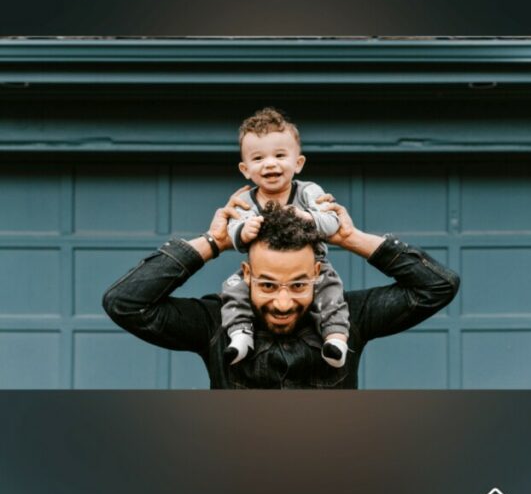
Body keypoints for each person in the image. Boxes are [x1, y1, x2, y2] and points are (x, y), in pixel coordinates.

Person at [102, 190, 460, 390]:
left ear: (318, 273)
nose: (283, 302)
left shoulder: (350, 317)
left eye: (299, 284)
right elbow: (126, 303)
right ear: (247, 274)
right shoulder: (215, 323)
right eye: (268, 285)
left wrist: (350, 238)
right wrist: (214, 243)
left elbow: (437, 286)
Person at [222, 107, 349, 369]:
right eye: (258, 159)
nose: (270, 163)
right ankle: (240, 333)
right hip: (262, 271)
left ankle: (335, 338)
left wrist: (308, 217)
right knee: (233, 287)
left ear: (298, 163)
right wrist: (242, 232)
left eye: (280, 155)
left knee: (331, 288)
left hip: (313, 265)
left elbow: (331, 221)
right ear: (245, 169)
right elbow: (232, 231)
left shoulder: (308, 192)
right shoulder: (245, 199)